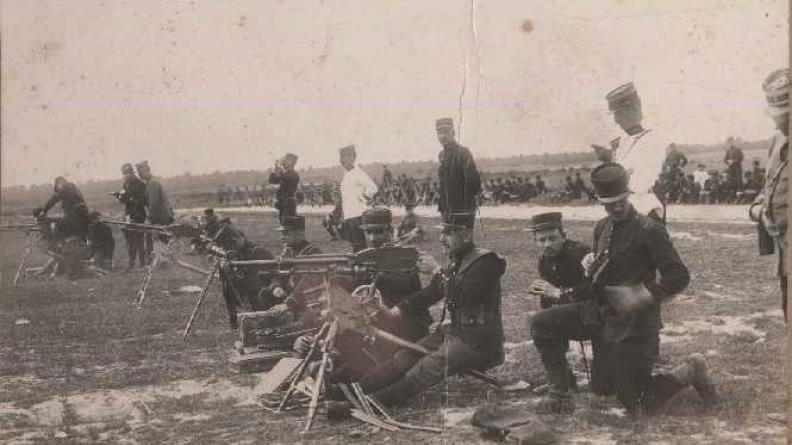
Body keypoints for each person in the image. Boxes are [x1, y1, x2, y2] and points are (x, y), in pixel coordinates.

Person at [530, 163, 718, 416]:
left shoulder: (650, 229)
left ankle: (692, 368)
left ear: (628, 195)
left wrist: (640, 295)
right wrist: (590, 268)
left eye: (620, 201)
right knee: (544, 325)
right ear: (600, 202)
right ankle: (560, 392)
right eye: (609, 204)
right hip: (601, 314)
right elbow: (597, 280)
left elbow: (678, 276)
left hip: (635, 323)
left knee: (638, 404)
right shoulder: (602, 228)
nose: (616, 208)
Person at [334, 211, 506, 408]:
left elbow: (463, 296)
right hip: (457, 332)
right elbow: (432, 292)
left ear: (466, 236)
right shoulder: (459, 261)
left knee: (426, 367)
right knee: (404, 356)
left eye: (448, 234)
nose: (442, 239)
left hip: (479, 342)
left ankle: (370, 403)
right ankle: (353, 391)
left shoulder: (485, 262)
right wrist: (393, 312)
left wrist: (436, 271)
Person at [592, 82, 670, 222]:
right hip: (624, 209)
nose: (616, 120)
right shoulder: (623, 141)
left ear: (633, 110)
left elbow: (643, 181)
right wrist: (609, 158)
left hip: (645, 210)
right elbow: (627, 166)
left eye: (618, 114)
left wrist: (614, 179)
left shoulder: (653, 139)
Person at [749, 68, 789, 320]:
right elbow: (768, 188)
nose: (776, 121)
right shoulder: (776, 142)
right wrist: (757, 209)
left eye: (784, 116)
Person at [436, 118, 482, 221]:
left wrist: (463, 204)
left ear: (453, 133)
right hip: (446, 209)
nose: (442, 136)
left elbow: (474, 182)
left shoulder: (463, 153)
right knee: (445, 237)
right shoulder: (442, 155)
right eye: (439, 132)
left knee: (460, 237)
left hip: (462, 209)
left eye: (446, 132)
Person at [338, 145, 377, 252]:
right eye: (341, 157)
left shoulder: (358, 173)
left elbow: (372, 187)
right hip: (349, 215)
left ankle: (363, 266)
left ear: (353, 158)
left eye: (345, 157)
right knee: (355, 245)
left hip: (358, 214)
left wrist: (362, 198)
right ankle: (358, 265)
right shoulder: (346, 175)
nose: (342, 160)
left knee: (360, 245)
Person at [136, 161, 175, 260]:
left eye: (141, 171)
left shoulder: (153, 183)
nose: (140, 174)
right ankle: (161, 260)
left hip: (162, 216)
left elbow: (154, 204)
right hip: (162, 215)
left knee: (156, 237)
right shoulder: (150, 183)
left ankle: (158, 261)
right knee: (160, 238)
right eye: (138, 172)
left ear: (147, 170)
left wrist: (149, 219)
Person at [113, 163, 147, 270]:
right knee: (130, 239)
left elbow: (144, 200)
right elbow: (123, 198)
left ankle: (142, 263)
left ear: (132, 172)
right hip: (128, 214)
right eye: (124, 173)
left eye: (127, 172)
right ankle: (131, 263)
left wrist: (132, 200)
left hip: (138, 214)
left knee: (139, 239)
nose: (126, 175)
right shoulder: (125, 184)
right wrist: (119, 197)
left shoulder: (140, 184)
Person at [34, 176, 89, 242]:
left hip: (72, 217)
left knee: (58, 229)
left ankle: (56, 248)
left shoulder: (66, 187)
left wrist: (44, 210)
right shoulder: (74, 188)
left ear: (59, 183)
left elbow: (53, 200)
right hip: (81, 218)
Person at [268, 153, 300, 222]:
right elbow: (272, 180)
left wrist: (279, 168)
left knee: (288, 228)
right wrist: (276, 169)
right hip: (283, 205)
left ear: (291, 162)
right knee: (285, 227)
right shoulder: (285, 174)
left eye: (286, 160)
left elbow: (284, 177)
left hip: (288, 205)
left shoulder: (293, 174)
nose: (284, 162)